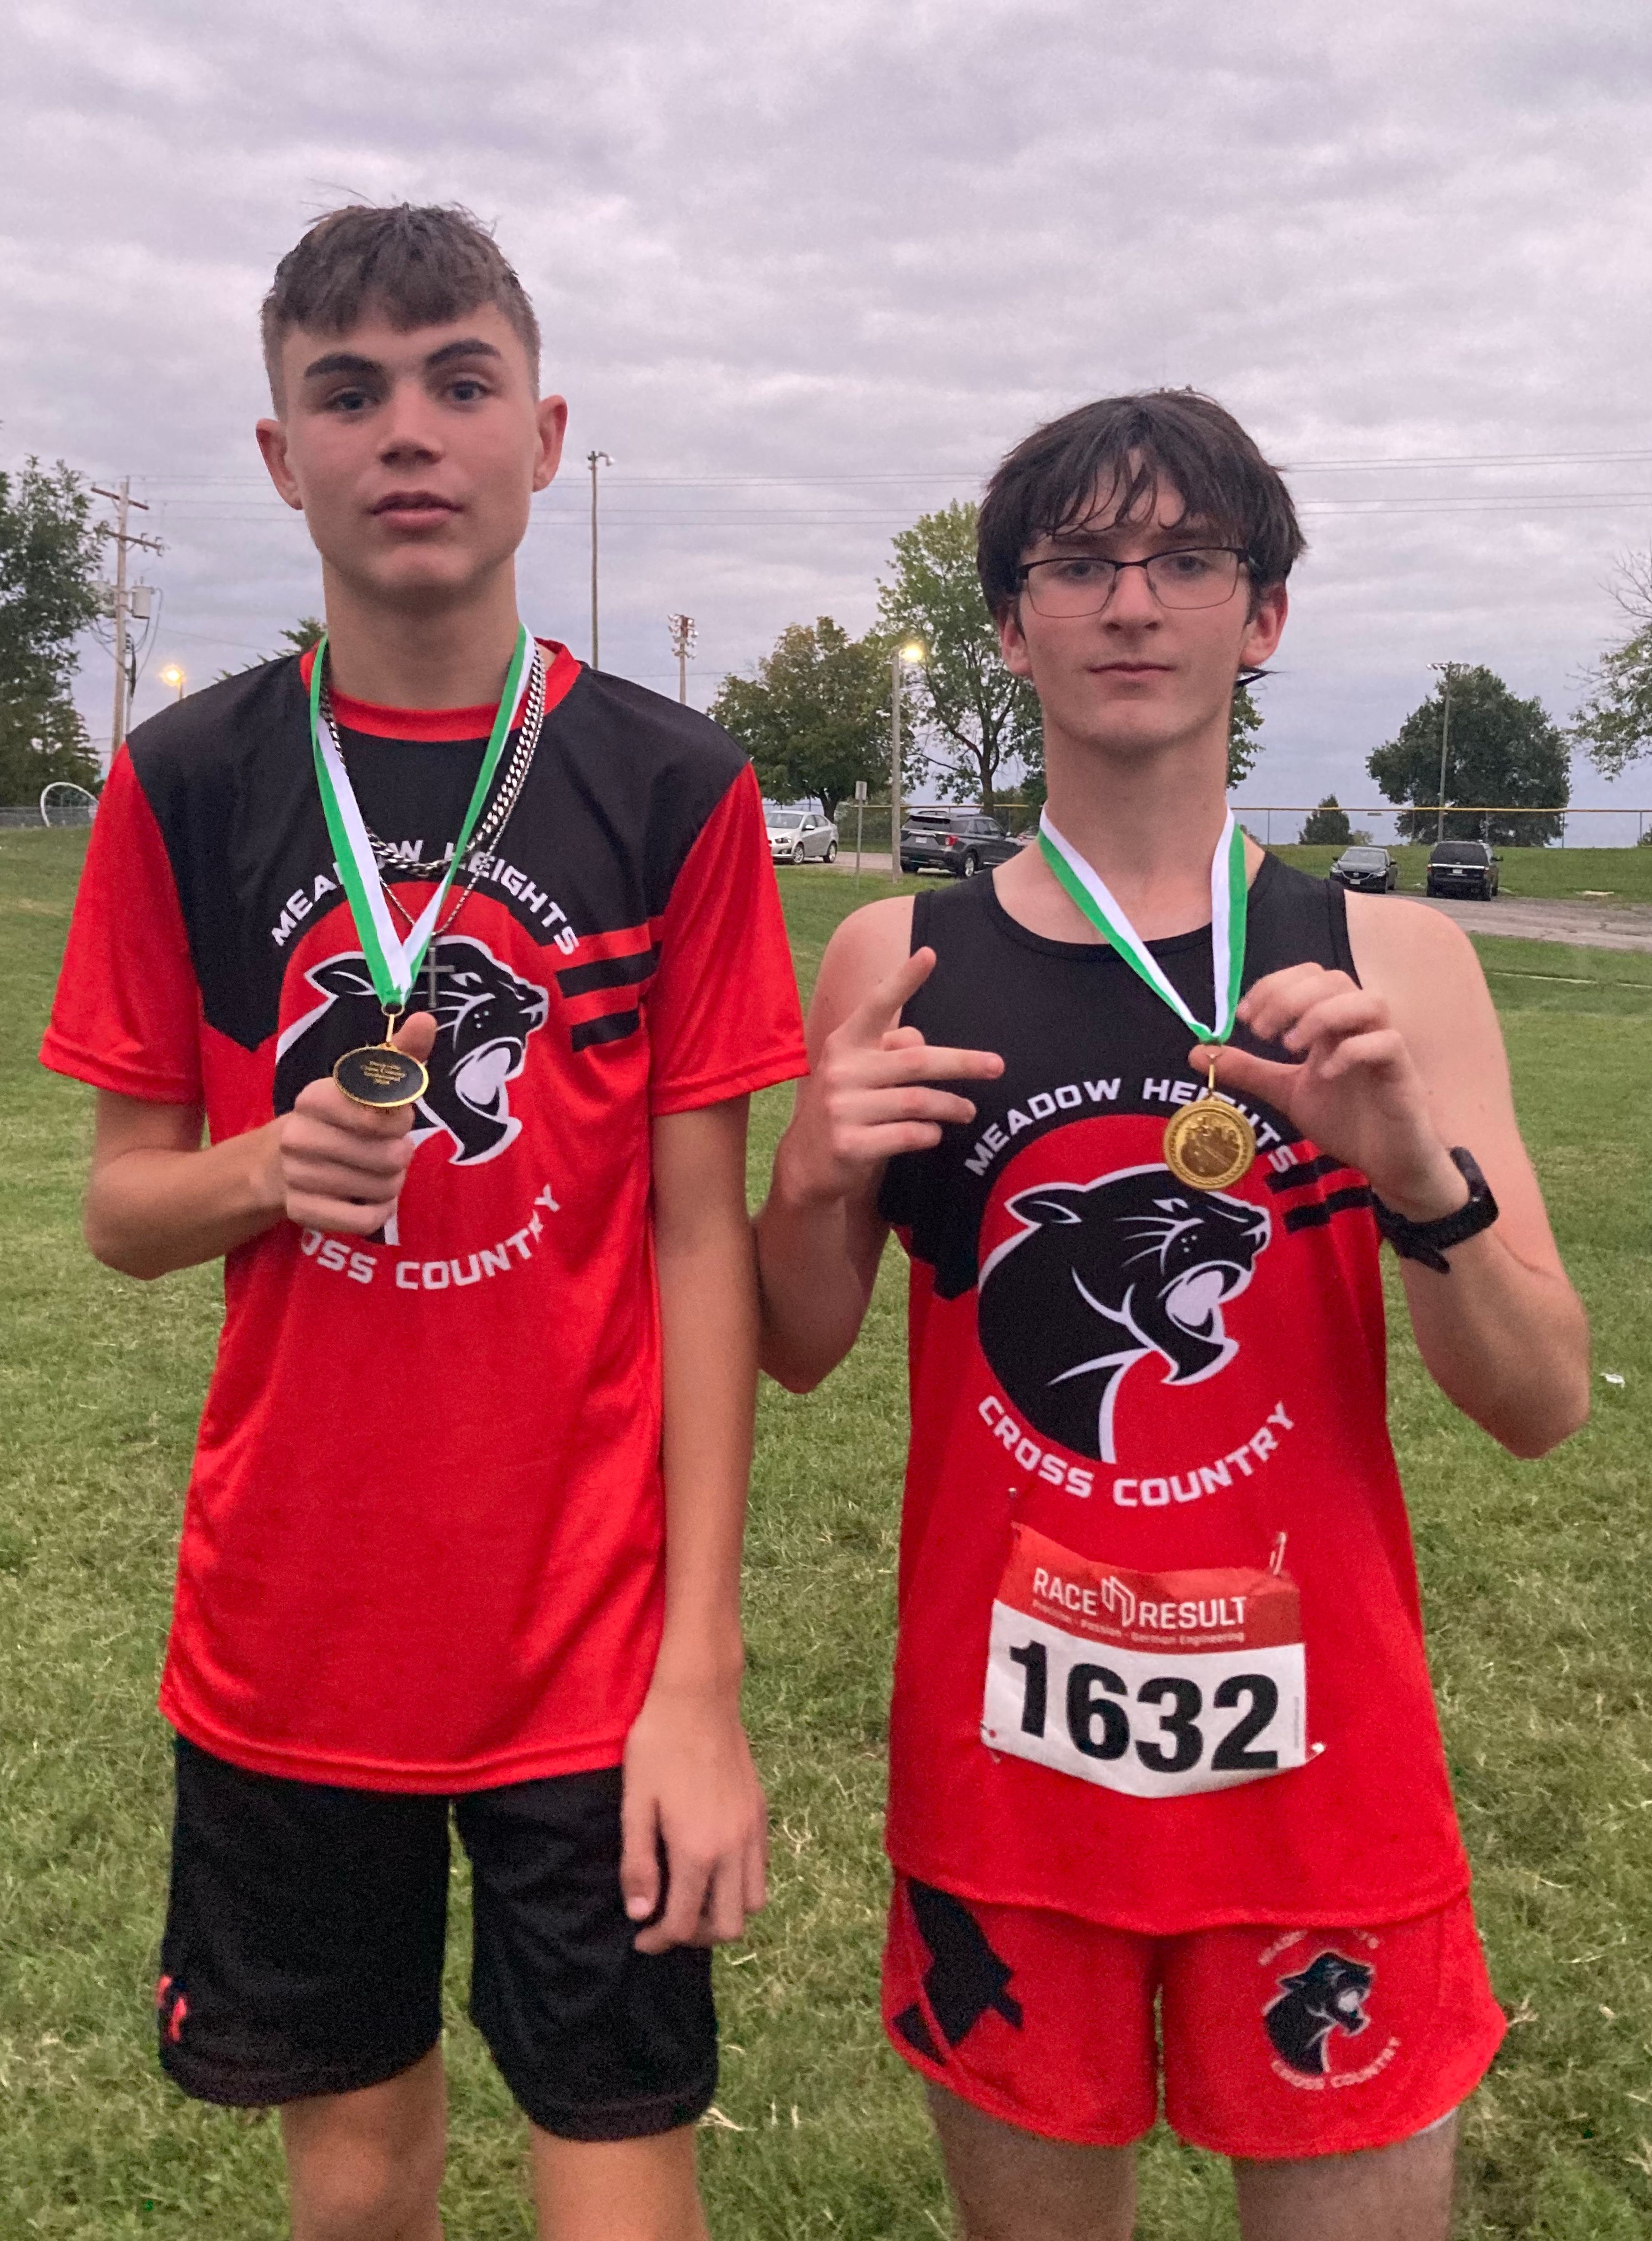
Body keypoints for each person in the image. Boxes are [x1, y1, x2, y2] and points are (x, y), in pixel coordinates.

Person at [42, 203, 806, 2241]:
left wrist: (703, 1676)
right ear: (281, 456)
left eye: (461, 383)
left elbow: (700, 1243)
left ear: (541, 437)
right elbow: (123, 1211)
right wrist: (259, 1169)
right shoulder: (188, 781)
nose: (411, 432)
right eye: (349, 392)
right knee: (358, 2167)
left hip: (592, 1645)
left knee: (620, 2168)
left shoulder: (674, 785)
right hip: (301, 1635)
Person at [755, 391, 1589, 2241]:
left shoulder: (1396, 965)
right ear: (1010, 623)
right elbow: (800, 1345)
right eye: (1078, 564)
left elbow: (1540, 1402)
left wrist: (1413, 1174)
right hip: (1012, 1783)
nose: (1132, 604)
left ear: (1262, 615)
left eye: (1187, 560)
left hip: (1323, 1780)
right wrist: (813, 1175)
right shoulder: (895, 957)